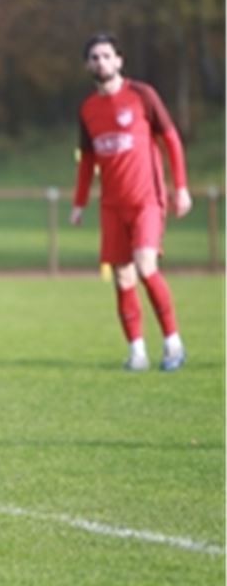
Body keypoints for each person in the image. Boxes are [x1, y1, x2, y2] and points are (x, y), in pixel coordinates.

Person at [70, 33, 191, 372]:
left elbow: (170, 138)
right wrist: (79, 204)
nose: (101, 62)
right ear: (87, 65)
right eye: (94, 57)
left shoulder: (142, 96)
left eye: (107, 56)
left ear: (119, 60)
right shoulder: (88, 109)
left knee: (146, 267)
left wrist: (180, 187)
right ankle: (137, 352)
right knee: (123, 279)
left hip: (146, 200)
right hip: (112, 206)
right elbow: (88, 161)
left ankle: (173, 345)